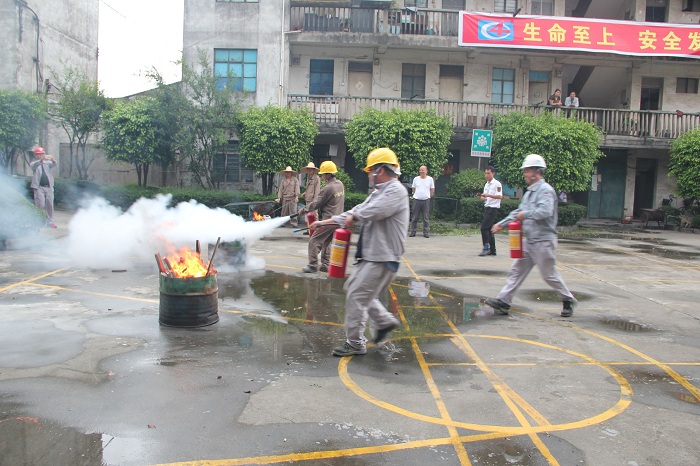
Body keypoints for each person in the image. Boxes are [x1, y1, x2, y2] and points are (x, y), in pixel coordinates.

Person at [311, 148, 408, 357]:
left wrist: (355, 218)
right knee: (355, 288)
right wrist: (324, 222)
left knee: (356, 294)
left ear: (381, 170)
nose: (368, 174)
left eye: (370, 170)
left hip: (383, 257)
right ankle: (383, 321)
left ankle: (355, 342)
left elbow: (375, 211)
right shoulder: (378, 193)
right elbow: (353, 212)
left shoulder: (395, 191)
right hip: (373, 257)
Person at [484, 154, 577, 318]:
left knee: (549, 275)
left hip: (544, 241)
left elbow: (545, 211)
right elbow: (517, 212)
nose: (525, 174)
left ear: (536, 171)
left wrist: (525, 214)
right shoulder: (529, 193)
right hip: (530, 240)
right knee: (516, 271)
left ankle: (568, 299)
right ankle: (504, 301)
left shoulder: (546, 190)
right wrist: (501, 224)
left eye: (527, 170)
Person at [298, 161, 345, 273]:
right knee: (326, 242)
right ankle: (325, 265)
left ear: (328, 174)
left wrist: (303, 210)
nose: (322, 176)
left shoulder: (328, 188)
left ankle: (313, 265)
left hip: (328, 220)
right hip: (338, 220)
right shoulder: (340, 185)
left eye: (323, 174)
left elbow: (316, 203)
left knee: (314, 241)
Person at [477, 166, 502, 256]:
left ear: (493, 173)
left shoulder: (497, 184)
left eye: (488, 173)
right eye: (486, 173)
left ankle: (486, 247)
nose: (486, 175)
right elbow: (485, 197)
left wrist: (489, 195)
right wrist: (482, 197)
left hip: (493, 208)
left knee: (484, 228)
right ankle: (493, 249)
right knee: (490, 229)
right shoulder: (486, 184)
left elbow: (500, 196)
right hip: (487, 207)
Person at [30, 146, 58, 228]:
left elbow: (54, 164)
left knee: (50, 204)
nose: (41, 155)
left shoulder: (48, 163)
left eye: (42, 154)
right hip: (39, 188)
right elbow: (34, 166)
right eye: (39, 154)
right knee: (40, 205)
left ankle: (50, 222)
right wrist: (40, 161)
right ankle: (39, 221)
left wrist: (53, 160)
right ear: (36, 155)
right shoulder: (34, 164)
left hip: (49, 187)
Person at [409, 165, 434, 238]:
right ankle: (413, 232)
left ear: (426, 171)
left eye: (423, 170)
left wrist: (429, 196)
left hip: (426, 200)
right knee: (414, 217)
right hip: (416, 200)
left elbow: (432, 189)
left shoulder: (430, 179)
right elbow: (413, 188)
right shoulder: (416, 179)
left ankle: (425, 232)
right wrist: (416, 194)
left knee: (425, 218)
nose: (421, 171)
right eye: (420, 170)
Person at [301, 162, 321, 235]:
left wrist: (316, 200)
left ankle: (317, 230)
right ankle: (309, 229)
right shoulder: (308, 178)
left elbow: (317, 190)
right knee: (307, 214)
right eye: (308, 169)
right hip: (308, 199)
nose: (310, 171)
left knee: (314, 214)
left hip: (313, 200)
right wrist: (305, 193)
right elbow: (308, 189)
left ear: (314, 170)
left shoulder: (316, 178)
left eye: (311, 169)